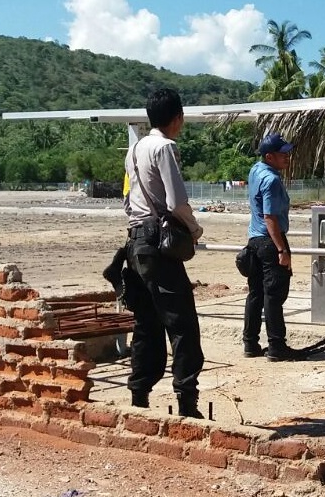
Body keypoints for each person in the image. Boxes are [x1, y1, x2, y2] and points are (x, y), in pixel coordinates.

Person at [121, 88, 206, 418]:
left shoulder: (133, 151)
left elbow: (128, 202)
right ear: (178, 118)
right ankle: (187, 402)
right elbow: (175, 202)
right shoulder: (165, 147)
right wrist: (195, 230)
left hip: (135, 244)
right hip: (158, 245)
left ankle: (139, 397)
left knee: (146, 324)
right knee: (183, 324)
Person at [243, 133, 299, 362]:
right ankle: (276, 345)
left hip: (254, 241)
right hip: (270, 240)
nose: (287, 157)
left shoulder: (256, 170)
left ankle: (250, 343)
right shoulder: (272, 180)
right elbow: (270, 217)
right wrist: (281, 250)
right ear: (269, 156)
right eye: (283, 154)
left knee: (256, 293)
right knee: (274, 295)